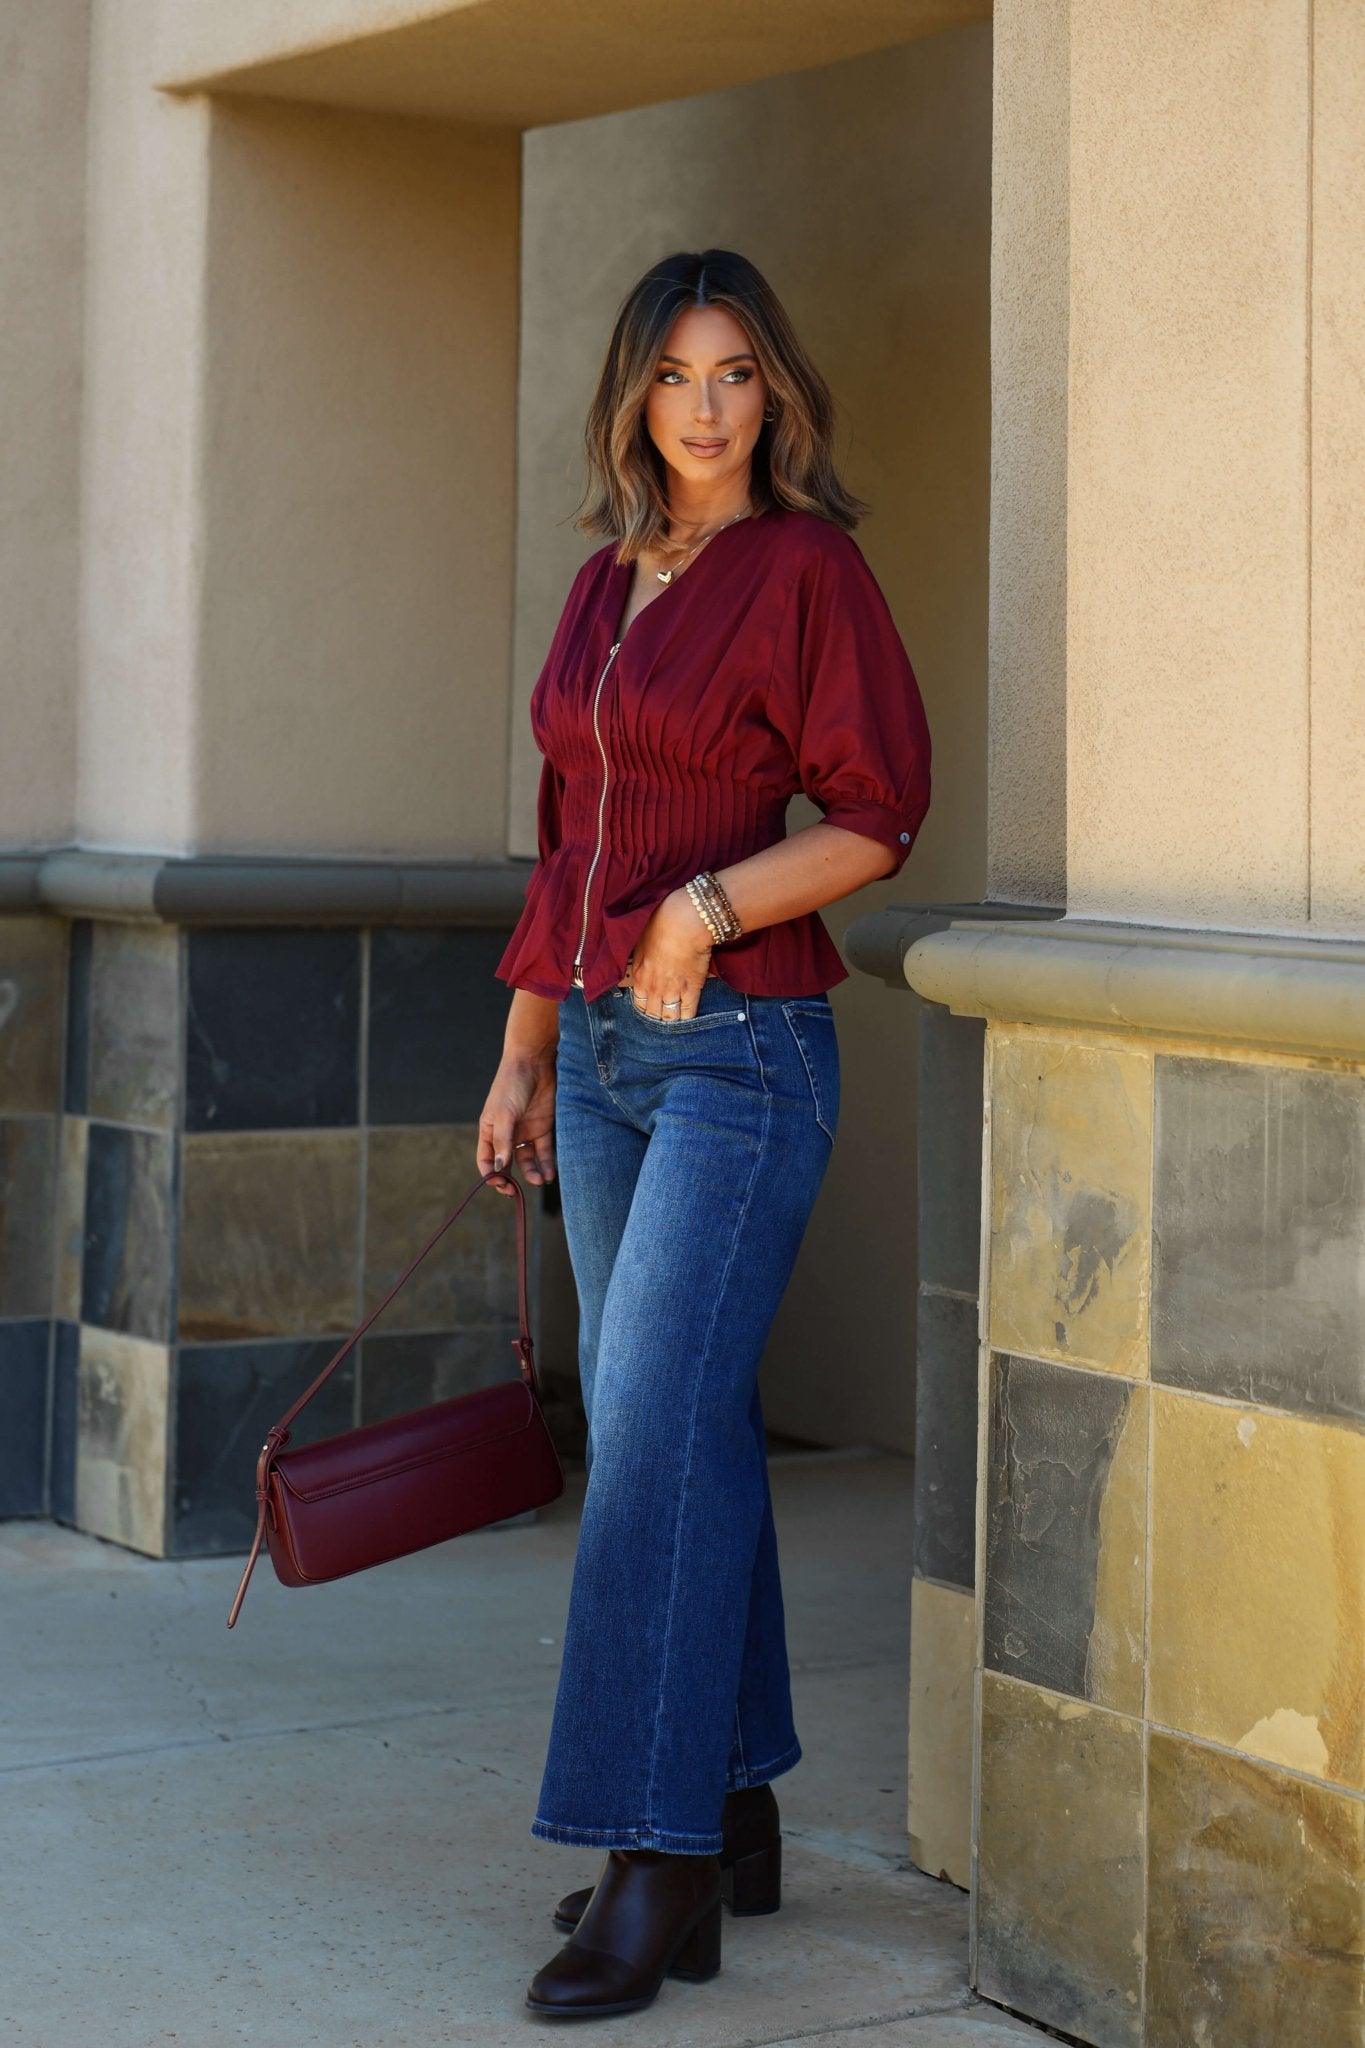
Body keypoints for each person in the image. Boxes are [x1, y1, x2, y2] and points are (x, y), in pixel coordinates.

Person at [477, 248, 931, 2022]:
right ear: (632, 400)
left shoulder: (810, 570)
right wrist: (524, 1053)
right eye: (676, 375)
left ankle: (651, 1858)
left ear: (776, 393)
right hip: (592, 1059)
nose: (708, 407)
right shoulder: (602, 588)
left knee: (652, 1433)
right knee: (679, 1423)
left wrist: (706, 910)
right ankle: (732, 1800)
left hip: (743, 1057)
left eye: (737, 373)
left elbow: (878, 816)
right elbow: (562, 841)